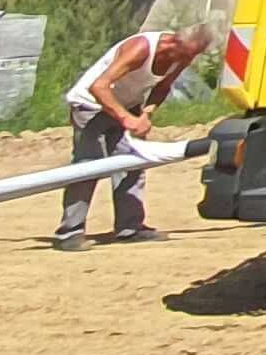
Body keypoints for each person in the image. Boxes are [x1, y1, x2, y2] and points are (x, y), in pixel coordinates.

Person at [50, 22, 209, 249]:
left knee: (133, 164)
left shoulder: (183, 54)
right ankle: (68, 233)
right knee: (87, 167)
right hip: (90, 106)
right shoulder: (140, 48)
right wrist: (127, 119)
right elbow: (99, 86)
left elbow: (163, 86)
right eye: (186, 53)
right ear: (173, 41)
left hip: (127, 105)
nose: (187, 59)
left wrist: (146, 114)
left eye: (193, 54)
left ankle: (130, 228)